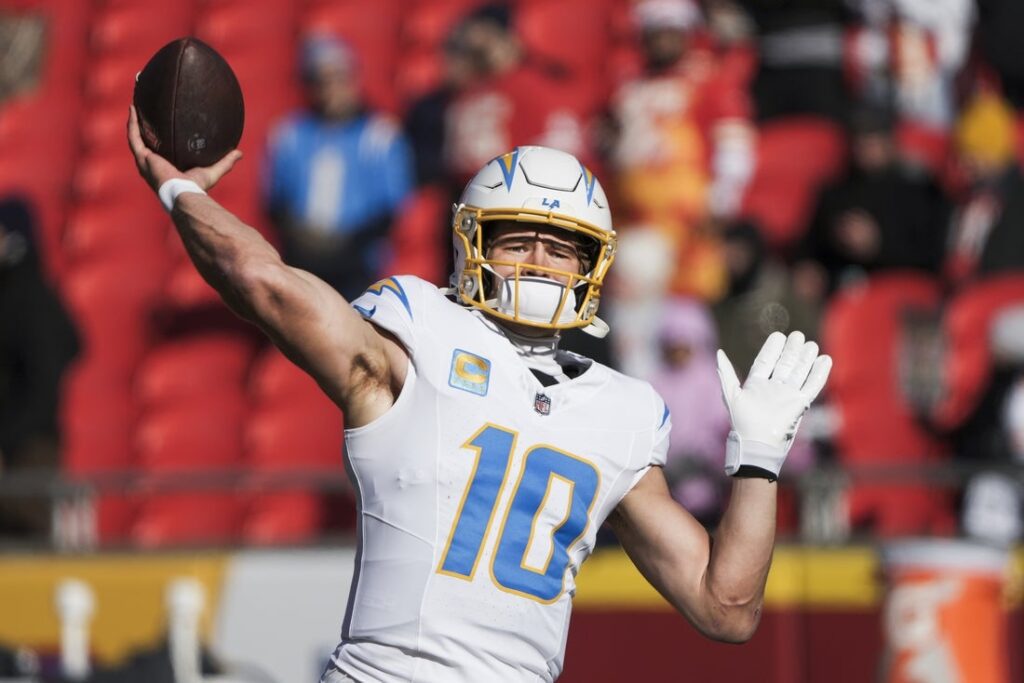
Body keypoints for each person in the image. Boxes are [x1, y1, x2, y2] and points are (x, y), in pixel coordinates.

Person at [129, 108, 832, 681]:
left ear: (593, 265)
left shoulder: (622, 409)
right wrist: (181, 191)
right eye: (517, 241)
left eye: (561, 248)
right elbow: (266, 283)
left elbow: (725, 607)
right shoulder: (418, 331)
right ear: (473, 245)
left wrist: (758, 459)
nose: (539, 262)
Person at [263, 33, 414, 300]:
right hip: (302, 259)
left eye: (338, 78)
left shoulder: (380, 135)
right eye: (321, 80)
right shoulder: (289, 134)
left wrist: (342, 246)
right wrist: (305, 238)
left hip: (359, 264)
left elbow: (391, 209)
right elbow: (275, 201)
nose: (331, 88)